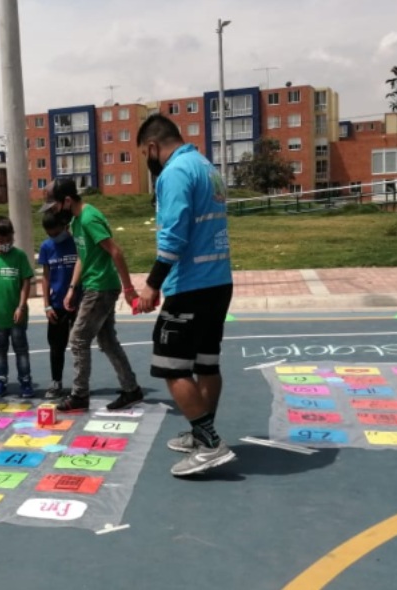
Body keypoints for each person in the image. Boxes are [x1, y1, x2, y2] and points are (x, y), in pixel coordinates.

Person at [136, 113, 236, 476]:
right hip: (218, 281)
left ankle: (210, 444)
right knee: (206, 363)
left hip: (190, 283)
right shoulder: (206, 166)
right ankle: (201, 434)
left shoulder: (175, 173)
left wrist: (152, 283)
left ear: (151, 146)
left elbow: (173, 235)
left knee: (171, 365)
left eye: (144, 154)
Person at [39, 179, 143, 412]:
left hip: (101, 287)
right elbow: (82, 256)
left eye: (54, 206)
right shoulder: (76, 221)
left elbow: (116, 251)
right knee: (107, 342)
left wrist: (129, 289)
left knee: (77, 339)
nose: (54, 212)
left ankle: (79, 395)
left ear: (67, 201)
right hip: (91, 285)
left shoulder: (89, 218)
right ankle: (131, 389)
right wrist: (72, 287)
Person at [0, 215, 36, 398]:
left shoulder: (19, 256)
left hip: (16, 316)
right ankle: (0, 382)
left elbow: (26, 282)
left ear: (13, 236)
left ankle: (26, 383)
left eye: (9, 239)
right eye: (0, 240)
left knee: (21, 351)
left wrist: (21, 306)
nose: (5, 243)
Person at [37, 208, 80, 399]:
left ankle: (80, 385)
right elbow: (46, 277)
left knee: (80, 345)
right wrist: (46, 305)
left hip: (78, 302)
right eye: (50, 235)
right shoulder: (46, 247)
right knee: (56, 346)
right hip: (57, 305)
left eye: (56, 233)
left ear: (65, 226)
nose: (54, 237)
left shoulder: (77, 243)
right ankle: (56, 382)